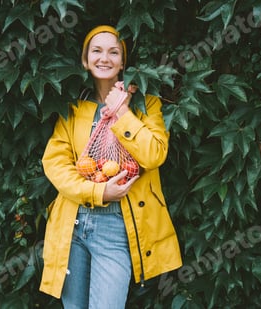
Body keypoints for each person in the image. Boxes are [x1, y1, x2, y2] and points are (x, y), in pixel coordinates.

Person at [39, 25, 182, 308]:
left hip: (117, 227)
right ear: (85, 60)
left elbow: (154, 155)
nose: (105, 58)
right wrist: (99, 192)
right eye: (97, 51)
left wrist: (123, 112)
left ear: (122, 62)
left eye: (113, 52)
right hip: (73, 224)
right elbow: (55, 164)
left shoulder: (146, 103)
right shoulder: (73, 108)